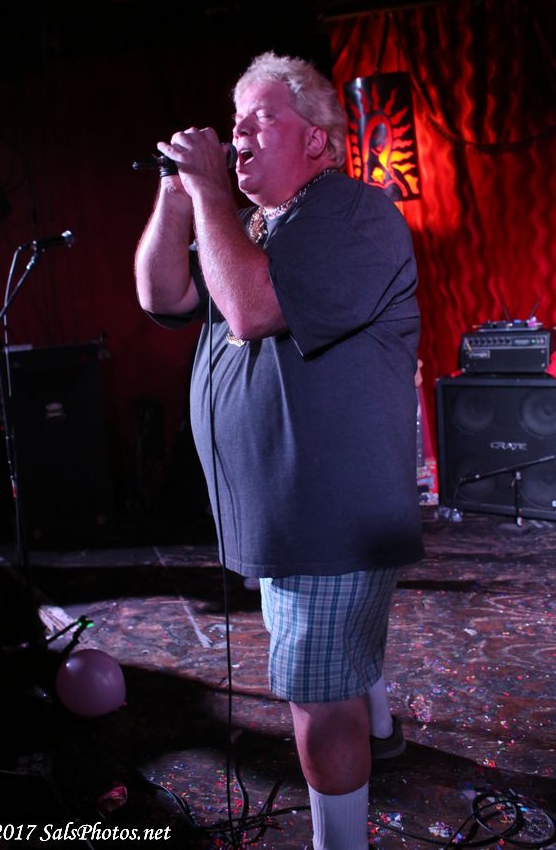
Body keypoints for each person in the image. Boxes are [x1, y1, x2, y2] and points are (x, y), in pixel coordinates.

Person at [135, 51, 424, 850]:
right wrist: (176, 193)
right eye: (235, 122)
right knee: (328, 666)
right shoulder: (253, 227)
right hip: (284, 512)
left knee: (315, 695)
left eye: (261, 118)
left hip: (329, 511)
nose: (239, 134)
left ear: (317, 142)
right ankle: (380, 724)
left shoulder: (352, 213)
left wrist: (209, 193)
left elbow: (253, 309)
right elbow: (162, 293)